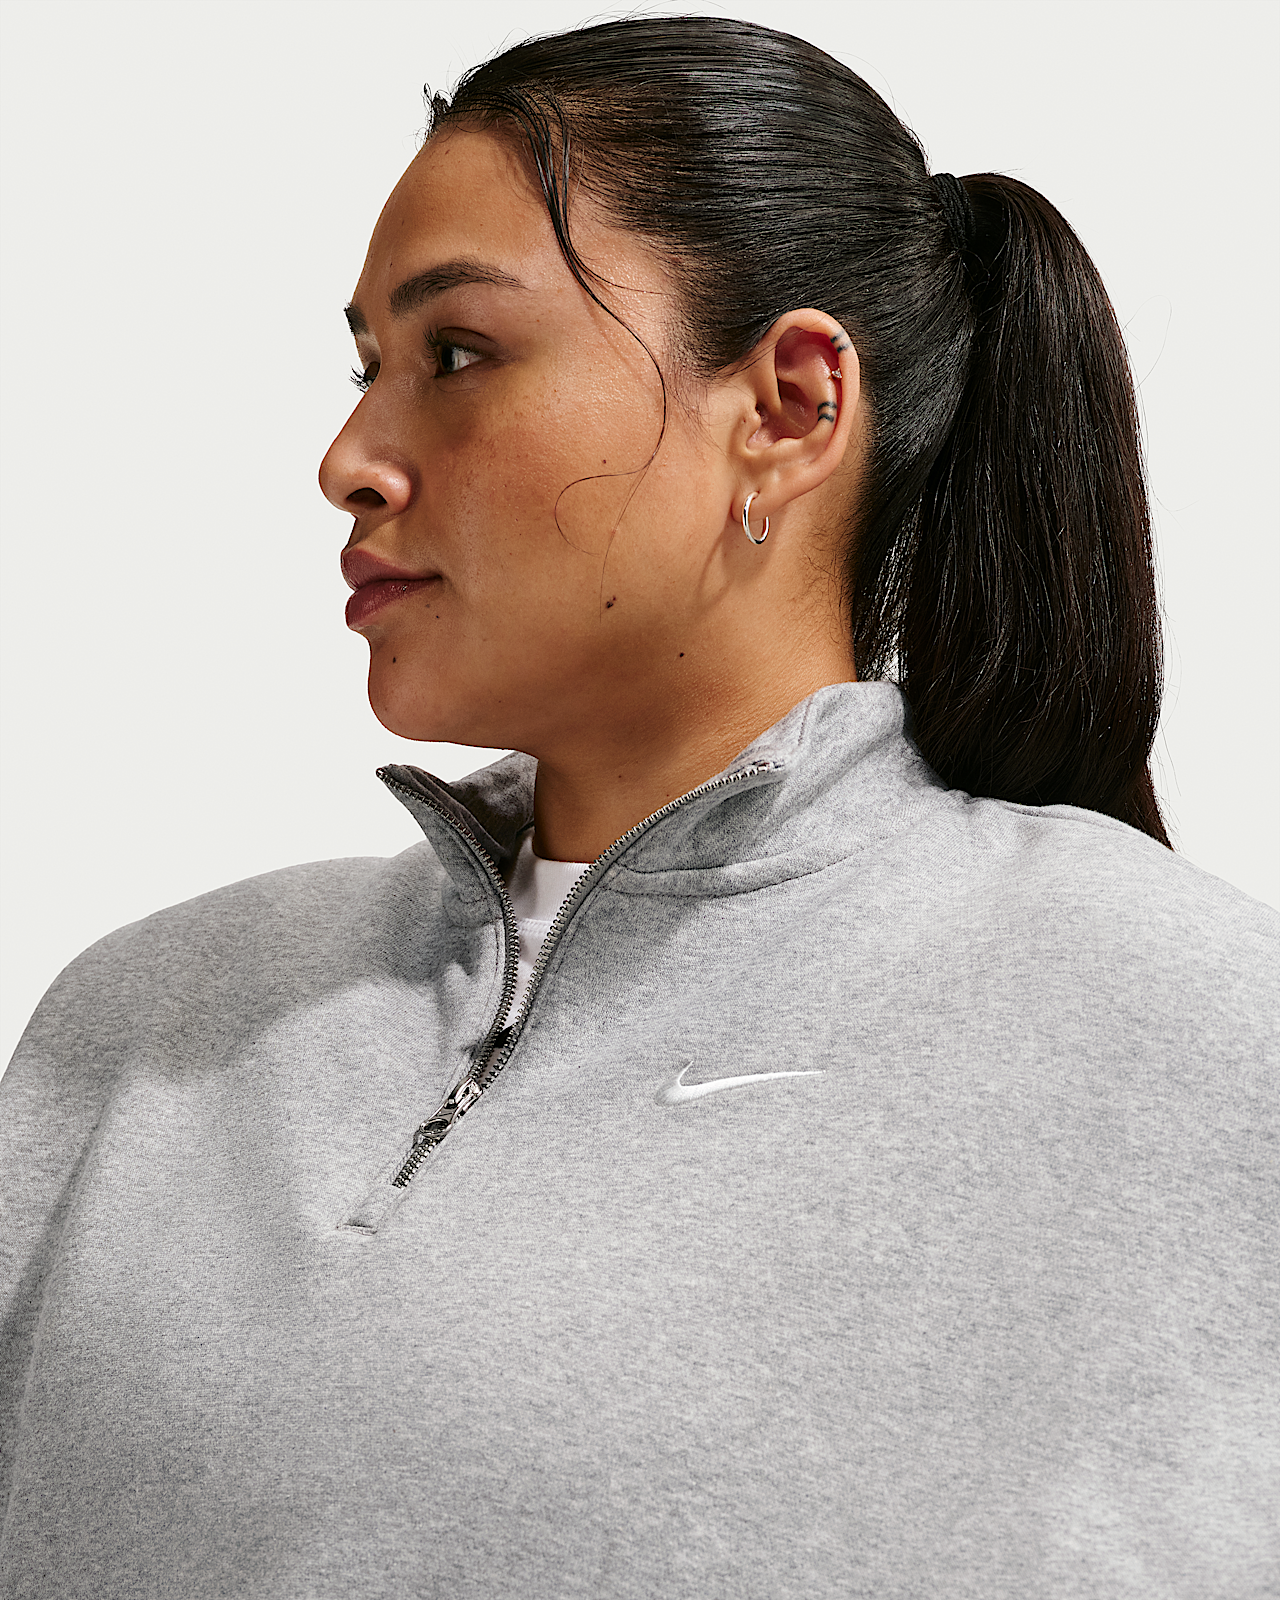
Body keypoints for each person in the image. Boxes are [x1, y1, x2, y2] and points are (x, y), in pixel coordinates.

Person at [1, 15, 1275, 1598]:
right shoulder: (150, 1029)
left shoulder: (1186, 1032)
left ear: (790, 407)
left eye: (458, 354)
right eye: (366, 367)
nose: (350, 459)